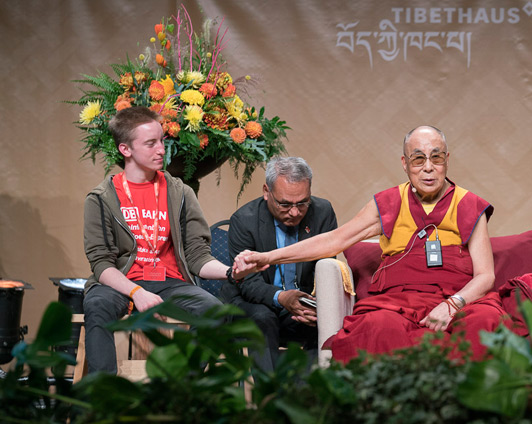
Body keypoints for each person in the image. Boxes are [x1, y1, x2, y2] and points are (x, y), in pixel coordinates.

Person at [231, 125, 502, 363]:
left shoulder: (469, 204)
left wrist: (453, 304)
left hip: (457, 298)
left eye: (436, 157)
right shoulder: (389, 202)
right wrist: (267, 257)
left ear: (447, 160)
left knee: (484, 323)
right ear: (405, 164)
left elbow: (485, 275)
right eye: (418, 159)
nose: (428, 167)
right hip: (399, 301)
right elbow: (334, 241)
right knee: (378, 326)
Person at [82, 106, 244, 374]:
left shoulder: (180, 191)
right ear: (126, 150)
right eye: (150, 143)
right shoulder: (101, 197)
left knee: (213, 310)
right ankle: (104, 396)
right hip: (122, 281)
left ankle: (184, 391)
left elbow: (197, 256)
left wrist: (231, 272)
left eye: (162, 140)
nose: (161, 149)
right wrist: (137, 293)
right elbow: (101, 264)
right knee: (96, 305)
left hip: (170, 282)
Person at [220, 157, 337, 371]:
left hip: (300, 305)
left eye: (302, 202)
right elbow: (247, 283)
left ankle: (305, 396)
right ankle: (270, 397)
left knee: (324, 320)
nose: (294, 212)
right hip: (254, 303)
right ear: (267, 191)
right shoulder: (244, 220)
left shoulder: (322, 212)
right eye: (285, 204)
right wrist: (282, 297)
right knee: (262, 318)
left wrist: (317, 304)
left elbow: (327, 267)